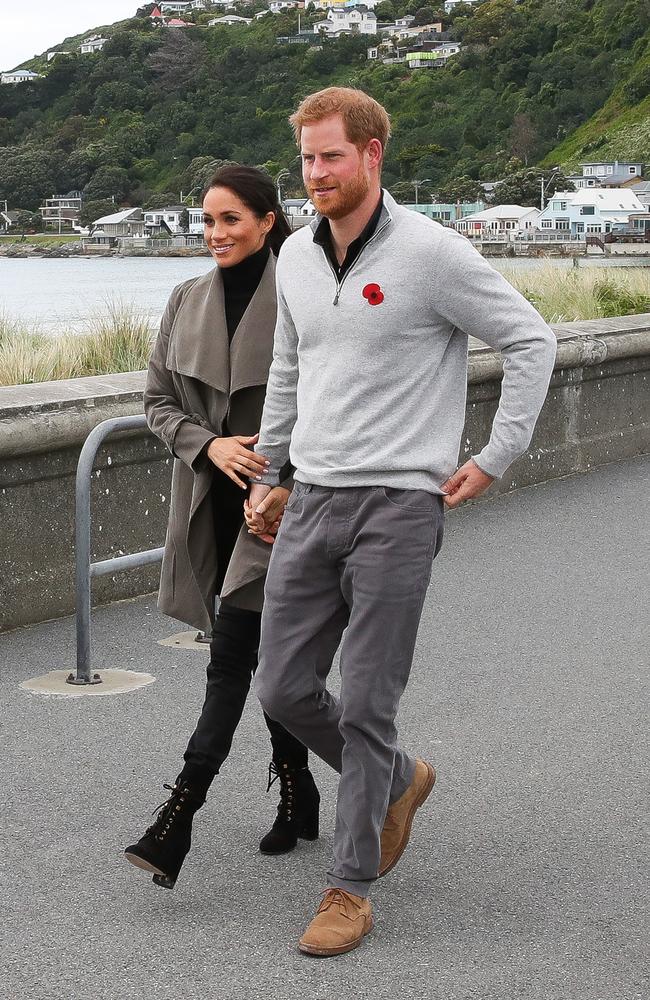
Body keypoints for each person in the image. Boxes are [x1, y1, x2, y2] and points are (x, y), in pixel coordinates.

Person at [245, 87, 557, 955]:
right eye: (306, 159)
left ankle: (349, 888)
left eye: (331, 157)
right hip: (311, 499)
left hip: (400, 508)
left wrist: (496, 454)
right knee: (282, 687)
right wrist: (270, 472)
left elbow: (533, 340)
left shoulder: (433, 254)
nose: (315, 175)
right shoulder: (296, 259)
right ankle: (399, 783)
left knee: (370, 703)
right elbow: (287, 369)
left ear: (373, 154)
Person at [124, 165, 320, 891]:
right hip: (210, 499)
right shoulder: (185, 299)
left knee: (235, 659)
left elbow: (332, 404)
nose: (215, 235)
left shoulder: (306, 291)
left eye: (231, 219)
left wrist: (285, 481)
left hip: (281, 504)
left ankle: (179, 814)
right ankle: (299, 790)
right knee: (266, 659)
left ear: (268, 221)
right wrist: (208, 443)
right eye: (206, 222)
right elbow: (154, 400)